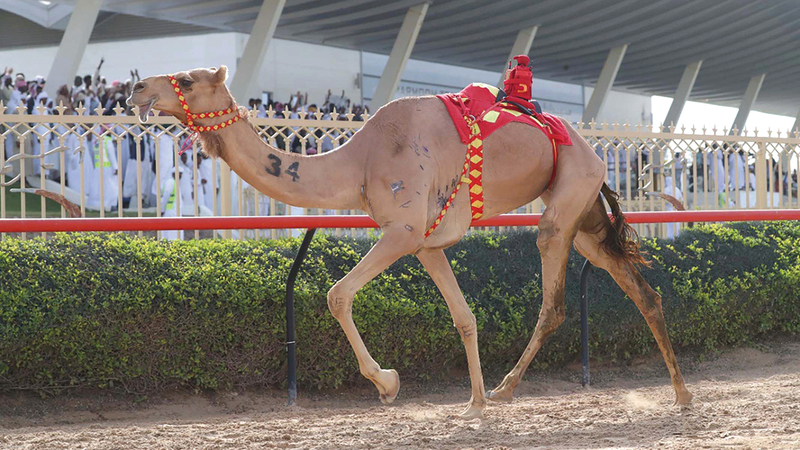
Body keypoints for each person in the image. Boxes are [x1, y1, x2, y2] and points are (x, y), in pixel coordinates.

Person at [160, 167, 184, 241]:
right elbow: (165, 197)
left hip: (175, 211)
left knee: (175, 232)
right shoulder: (170, 182)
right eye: (179, 174)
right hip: (170, 211)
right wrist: (162, 209)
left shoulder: (175, 183)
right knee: (171, 233)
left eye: (181, 174)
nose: (180, 176)